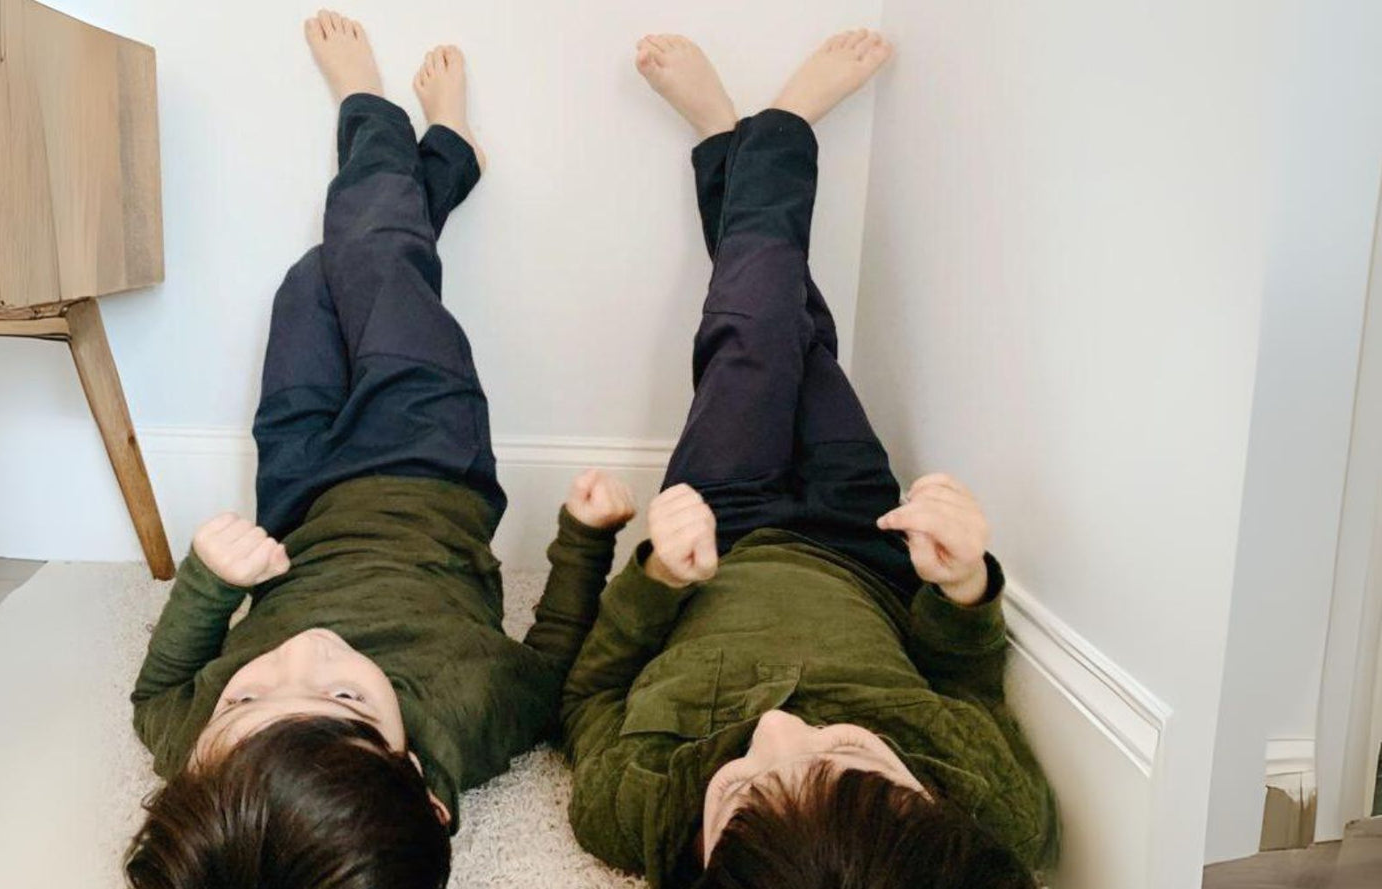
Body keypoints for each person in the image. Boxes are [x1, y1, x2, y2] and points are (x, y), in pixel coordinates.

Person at [122, 12, 637, 888]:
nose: (301, 653)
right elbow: (554, 664)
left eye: (245, 697)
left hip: (296, 498)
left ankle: (446, 166)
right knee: (377, 257)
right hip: (428, 464)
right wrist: (587, 538)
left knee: (312, 280)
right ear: (424, 787)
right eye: (346, 697)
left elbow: (153, 698)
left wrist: (210, 582)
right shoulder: (472, 713)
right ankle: (371, 106)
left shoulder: (203, 762)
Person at [558, 30, 1059, 888]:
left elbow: (586, 696)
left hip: (715, 543)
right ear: (931, 803)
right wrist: (964, 586)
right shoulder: (998, 807)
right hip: (869, 548)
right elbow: (967, 686)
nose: (775, 729)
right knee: (800, 336)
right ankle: (737, 143)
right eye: (848, 752)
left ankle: (771, 128)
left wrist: (657, 579)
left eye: (738, 785)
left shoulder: (629, 807)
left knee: (754, 337)